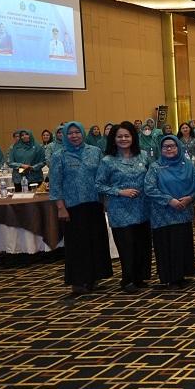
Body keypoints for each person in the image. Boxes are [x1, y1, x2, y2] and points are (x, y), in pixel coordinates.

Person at [50, 121, 113, 298]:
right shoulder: (59, 155)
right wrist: (60, 207)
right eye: (70, 133)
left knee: (96, 241)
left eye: (77, 132)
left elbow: (103, 177)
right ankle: (78, 281)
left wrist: (105, 201)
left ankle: (94, 277)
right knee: (77, 244)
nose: (74, 136)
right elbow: (55, 184)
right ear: (64, 135)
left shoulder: (95, 151)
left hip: (94, 203)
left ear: (82, 133)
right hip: (72, 206)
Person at [96, 122, 151, 292]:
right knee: (127, 246)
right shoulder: (107, 161)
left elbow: (151, 177)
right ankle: (127, 280)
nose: (123, 139)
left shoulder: (143, 156)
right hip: (120, 209)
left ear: (133, 137)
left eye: (127, 135)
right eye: (119, 136)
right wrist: (120, 192)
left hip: (143, 208)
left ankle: (139, 278)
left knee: (141, 245)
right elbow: (98, 185)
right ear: (113, 139)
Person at [144, 135, 195, 288]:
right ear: (160, 149)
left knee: (181, 243)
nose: (169, 149)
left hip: (183, 211)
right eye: (165, 146)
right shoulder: (155, 167)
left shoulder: (188, 165)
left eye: (172, 146)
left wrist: (190, 198)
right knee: (166, 245)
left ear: (178, 147)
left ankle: (181, 275)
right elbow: (149, 188)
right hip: (163, 214)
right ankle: (170, 278)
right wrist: (169, 200)